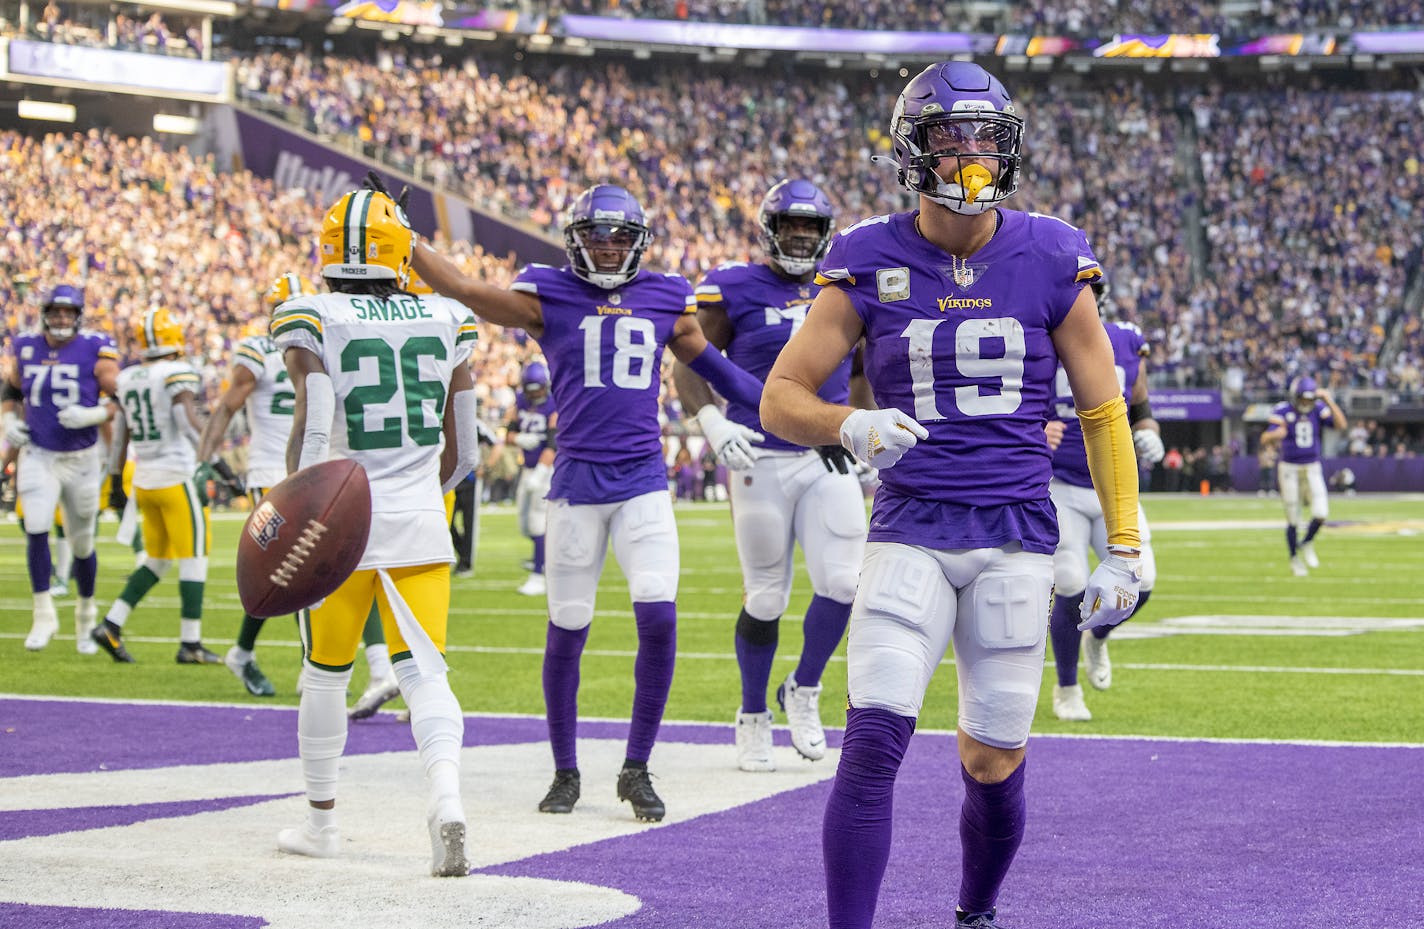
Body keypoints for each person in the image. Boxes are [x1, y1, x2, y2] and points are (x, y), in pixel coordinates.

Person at [759, 62, 1143, 929]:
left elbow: (1103, 405)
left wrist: (1125, 542)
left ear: (1006, 149)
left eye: (984, 137)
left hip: (1015, 532)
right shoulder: (866, 253)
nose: (969, 154)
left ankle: (976, 911)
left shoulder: (1050, 249)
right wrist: (849, 427)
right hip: (910, 527)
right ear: (911, 148)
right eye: (948, 136)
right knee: (871, 746)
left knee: (991, 760)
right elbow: (780, 395)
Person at [411, 182, 765, 823]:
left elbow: (717, 370)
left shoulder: (666, 295)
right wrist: (406, 242)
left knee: (658, 619)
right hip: (575, 485)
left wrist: (785, 405)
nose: (607, 249)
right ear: (575, 240)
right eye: (596, 237)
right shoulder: (548, 291)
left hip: (641, 484)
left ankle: (636, 767)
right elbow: (465, 289)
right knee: (568, 629)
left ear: (638, 243)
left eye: (619, 238)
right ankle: (566, 770)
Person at [270, 185, 481, 876]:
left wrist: (296, 509)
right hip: (419, 518)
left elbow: (313, 419)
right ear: (401, 252)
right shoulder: (446, 314)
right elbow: (468, 451)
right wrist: (420, 493)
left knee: (325, 673)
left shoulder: (313, 311)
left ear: (330, 251)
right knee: (425, 673)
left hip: (337, 524)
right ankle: (446, 798)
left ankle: (320, 821)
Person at [672, 178, 867, 772]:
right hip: (758, 456)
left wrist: (858, 426)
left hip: (826, 455)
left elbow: (862, 372)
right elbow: (687, 351)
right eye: (791, 227)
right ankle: (753, 713)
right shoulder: (733, 286)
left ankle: (803, 690)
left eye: (810, 228)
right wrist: (708, 420)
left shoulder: (844, 286)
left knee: (844, 583)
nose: (801, 238)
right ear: (770, 230)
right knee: (766, 595)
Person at [195, 273, 315, 696]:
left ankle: (248, 654)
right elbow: (227, 408)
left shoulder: (322, 344)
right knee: (294, 570)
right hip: (269, 472)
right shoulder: (258, 351)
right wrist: (205, 459)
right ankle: (308, 666)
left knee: (300, 571)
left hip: (310, 467)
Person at [1044, 303, 1163, 722]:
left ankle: (1098, 635)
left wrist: (1150, 433)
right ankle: (1067, 686)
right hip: (1061, 483)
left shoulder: (1128, 342)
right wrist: (1035, 430)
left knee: (1142, 581)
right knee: (1071, 581)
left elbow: (1142, 406)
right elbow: (1016, 401)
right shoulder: (1041, 331)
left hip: (1113, 481)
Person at [91, 307, 221, 664]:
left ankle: (110, 624)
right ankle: (191, 643)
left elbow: (120, 435)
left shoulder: (129, 377)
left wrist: (116, 480)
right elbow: (187, 422)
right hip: (175, 476)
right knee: (194, 556)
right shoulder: (176, 372)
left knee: (159, 559)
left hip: (145, 483)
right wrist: (217, 461)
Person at [2, 284, 119, 653]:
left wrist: (96, 413)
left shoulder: (95, 347)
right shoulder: (25, 346)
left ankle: (85, 616)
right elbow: (10, 391)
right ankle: (43, 614)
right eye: (56, 312)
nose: (61, 318)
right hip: (39, 453)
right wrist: (7, 423)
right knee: (36, 527)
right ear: (46, 313)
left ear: (78, 316)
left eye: (68, 312)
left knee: (83, 543)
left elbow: (120, 395)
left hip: (82, 458)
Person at [1261, 375, 1346, 576]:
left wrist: (1329, 400)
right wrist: (1275, 435)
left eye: (1310, 399)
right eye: (1303, 398)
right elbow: (1265, 437)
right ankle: (1294, 559)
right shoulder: (1282, 409)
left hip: (1312, 466)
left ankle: (1306, 541)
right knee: (1292, 517)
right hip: (1289, 468)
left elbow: (1341, 425)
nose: (1306, 403)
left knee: (1321, 512)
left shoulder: (1318, 408)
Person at [507, 360, 555, 595]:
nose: (536, 393)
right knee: (525, 524)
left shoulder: (554, 404)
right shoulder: (520, 402)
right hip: (527, 468)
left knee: (538, 521)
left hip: (546, 470)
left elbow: (554, 442)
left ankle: (539, 574)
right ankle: (544, 556)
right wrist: (518, 439)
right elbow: (508, 433)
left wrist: (541, 472)